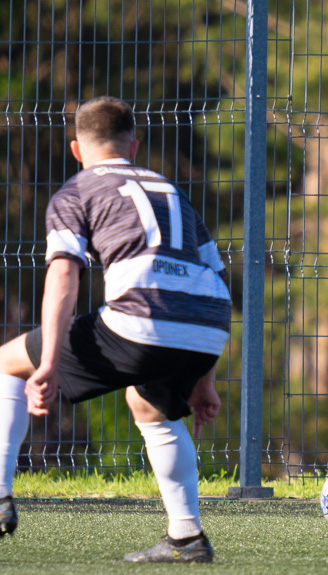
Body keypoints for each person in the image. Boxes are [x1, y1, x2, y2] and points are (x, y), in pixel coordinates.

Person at [0, 96, 232, 561]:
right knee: (147, 404)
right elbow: (214, 275)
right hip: (209, 323)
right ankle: (187, 538)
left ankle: (0, 495)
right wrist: (204, 377)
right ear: (134, 143)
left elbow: (64, 273)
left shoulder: (77, 189)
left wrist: (45, 365)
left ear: (76, 150)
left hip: (141, 321)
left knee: (8, 362)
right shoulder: (169, 189)